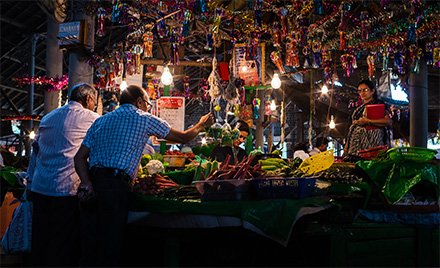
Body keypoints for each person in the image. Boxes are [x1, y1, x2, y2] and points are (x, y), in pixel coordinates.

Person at [74, 85, 214, 267]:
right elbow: (184, 138)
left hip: (93, 185)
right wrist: (202, 124)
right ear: (139, 102)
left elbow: (79, 158)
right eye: (147, 104)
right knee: (110, 248)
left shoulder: (101, 121)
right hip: (115, 187)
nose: (148, 108)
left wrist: (87, 183)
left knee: (90, 247)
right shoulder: (144, 118)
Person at [29, 83, 99, 267]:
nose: (95, 106)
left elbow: (35, 151)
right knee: (63, 243)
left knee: (41, 239)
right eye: (95, 102)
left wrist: (29, 183)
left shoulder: (48, 117)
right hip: (66, 189)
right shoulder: (92, 118)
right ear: (88, 99)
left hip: (40, 186)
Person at [343, 80, 392, 156]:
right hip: (355, 143)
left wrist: (368, 121)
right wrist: (346, 149)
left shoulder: (378, 104)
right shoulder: (358, 109)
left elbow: (388, 121)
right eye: (360, 91)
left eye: (365, 90)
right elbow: (352, 128)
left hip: (373, 142)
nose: (362, 93)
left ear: (372, 91)